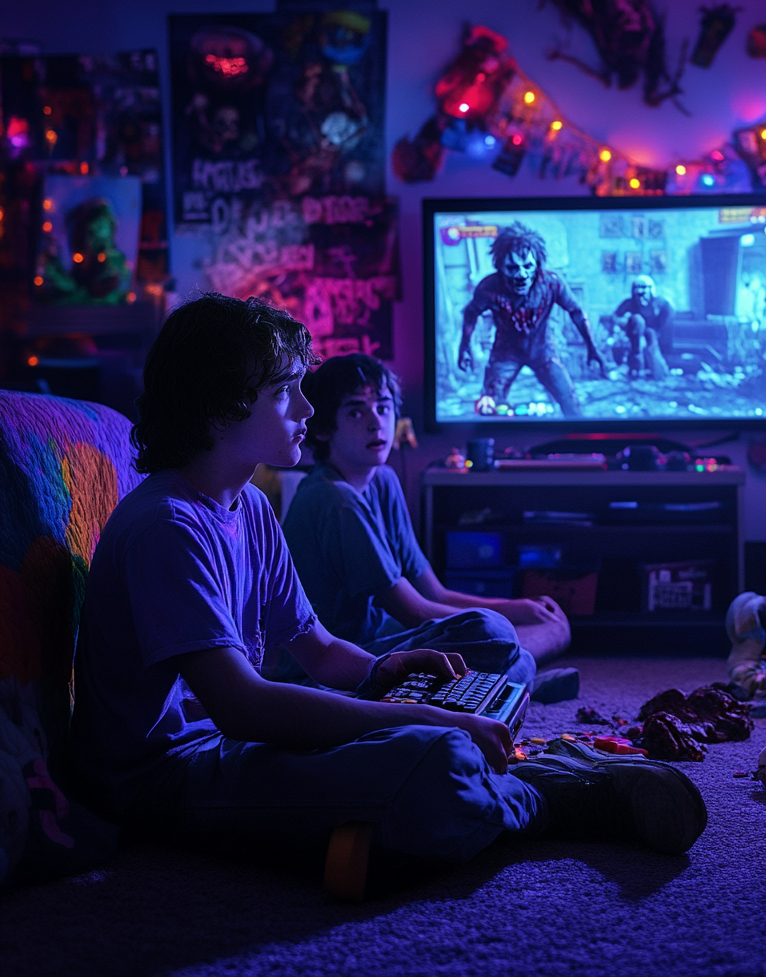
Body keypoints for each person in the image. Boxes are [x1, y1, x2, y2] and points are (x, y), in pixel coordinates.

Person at [69, 293, 707, 899]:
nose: (308, 410)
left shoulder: (251, 506)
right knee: (439, 763)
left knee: (473, 669)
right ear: (219, 408)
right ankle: (554, 795)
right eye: (285, 392)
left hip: (231, 740)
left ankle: (405, 814)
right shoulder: (168, 527)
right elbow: (244, 708)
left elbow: (317, 650)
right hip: (165, 777)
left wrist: (383, 670)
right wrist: (432, 718)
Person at [281, 353, 578, 703]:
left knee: (527, 628)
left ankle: (510, 680)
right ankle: (514, 679)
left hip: (381, 635)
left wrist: (517, 606)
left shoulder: (383, 481)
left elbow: (434, 593)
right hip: (338, 658)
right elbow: (414, 611)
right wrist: (506, 619)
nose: (376, 423)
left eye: (384, 407)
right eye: (355, 412)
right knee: (493, 631)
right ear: (322, 428)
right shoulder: (333, 499)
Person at [457, 222, 606, 417]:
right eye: (512, 268)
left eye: (527, 266)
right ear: (500, 266)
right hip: (505, 353)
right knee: (489, 407)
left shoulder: (552, 283)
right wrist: (464, 346)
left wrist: (592, 348)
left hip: (543, 350)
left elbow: (576, 312)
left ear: (537, 265)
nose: (521, 275)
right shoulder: (488, 287)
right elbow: (471, 313)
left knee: (571, 405)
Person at [611, 275, 672, 379]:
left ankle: (657, 372)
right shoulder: (629, 303)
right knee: (637, 321)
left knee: (650, 336)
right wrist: (624, 324)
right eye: (637, 291)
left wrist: (659, 329)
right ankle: (636, 368)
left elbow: (667, 314)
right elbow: (615, 317)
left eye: (644, 290)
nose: (641, 294)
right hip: (633, 334)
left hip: (653, 334)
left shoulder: (661, 303)